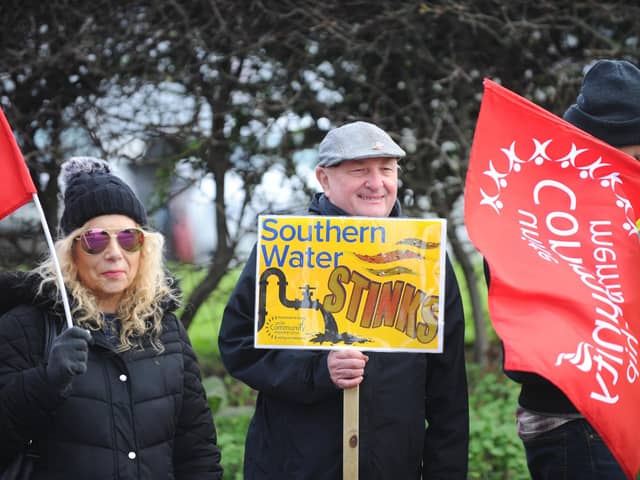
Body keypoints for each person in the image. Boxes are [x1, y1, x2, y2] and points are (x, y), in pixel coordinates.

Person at [219, 121, 469, 479]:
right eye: (359, 171)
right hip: (295, 466)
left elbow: (449, 392)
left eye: (386, 170)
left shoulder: (424, 257)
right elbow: (238, 345)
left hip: (393, 465)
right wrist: (318, 372)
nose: (376, 183)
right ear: (324, 178)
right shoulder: (286, 249)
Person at [0, 157, 223, 479]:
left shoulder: (165, 329)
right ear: (69, 251)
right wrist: (46, 381)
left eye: (129, 238)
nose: (115, 252)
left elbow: (196, 450)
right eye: (96, 240)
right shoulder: (25, 327)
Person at [495, 59, 640, 479]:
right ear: (596, 150)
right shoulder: (536, 212)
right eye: (632, 158)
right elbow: (528, 333)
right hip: (578, 424)